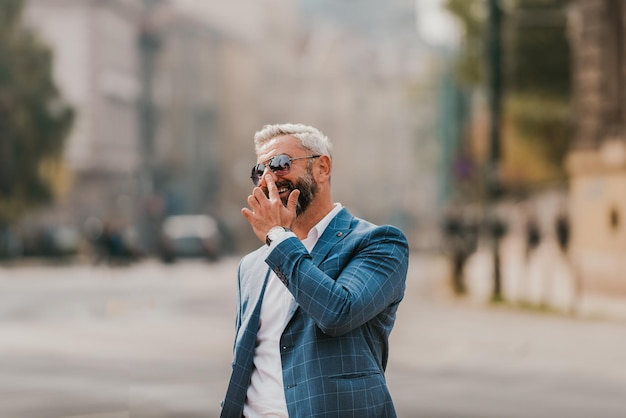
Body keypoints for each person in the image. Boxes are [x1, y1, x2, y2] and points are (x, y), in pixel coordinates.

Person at [220, 123, 410, 417]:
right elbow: (245, 365)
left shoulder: (379, 243)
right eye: (260, 171)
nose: (268, 178)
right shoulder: (252, 266)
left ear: (322, 168)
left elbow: (338, 312)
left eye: (281, 164)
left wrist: (278, 238)